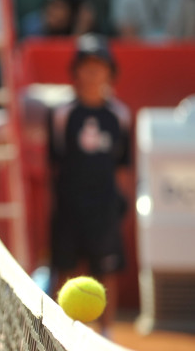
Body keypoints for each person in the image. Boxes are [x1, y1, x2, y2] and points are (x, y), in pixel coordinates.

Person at [47, 33, 132, 338]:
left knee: (107, 270)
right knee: (64, 268)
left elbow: (123, 165)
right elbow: (54, 163)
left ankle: (106, 334)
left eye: (100, 65)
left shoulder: (120, 115)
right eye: (87, 65)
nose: (93, 72)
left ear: (110, 71)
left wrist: (119, 205)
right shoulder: (61, 114)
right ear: (76, 71)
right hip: (69, 207)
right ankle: (59, 335)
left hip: (105, 210)